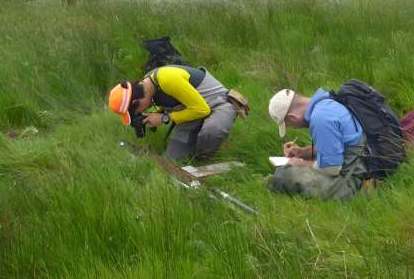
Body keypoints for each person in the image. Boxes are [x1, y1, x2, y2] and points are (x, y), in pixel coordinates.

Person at [107, 65, 236, 161]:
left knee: (211, 131)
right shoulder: (147, 85)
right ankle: (199, 145)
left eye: (135, 112)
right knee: (173, 159)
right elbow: (173, 100)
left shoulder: (167, 80)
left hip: (217, 103)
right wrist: (157, 114)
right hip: (191, 108)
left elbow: (202, 109)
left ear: (136, 102)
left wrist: (164, 118)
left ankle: (206, 157)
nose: (139, 113)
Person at [267, 88, 367, 199]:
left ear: (292, 117)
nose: (295, 128)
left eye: (291, 125)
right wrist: (301, 152)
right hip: (356, 164)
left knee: (283, 176)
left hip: (351, 180)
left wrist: (300, 163)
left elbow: (332, 168)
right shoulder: (325, 102)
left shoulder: (320, 119)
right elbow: (335, 146)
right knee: (288, 172)